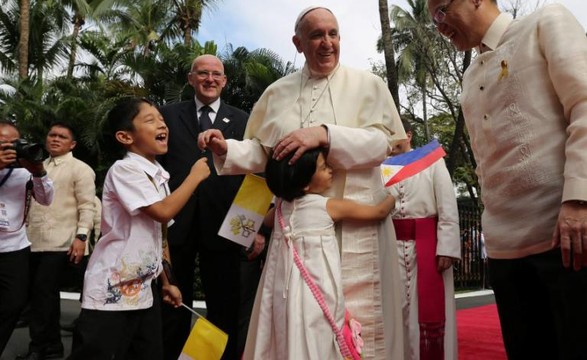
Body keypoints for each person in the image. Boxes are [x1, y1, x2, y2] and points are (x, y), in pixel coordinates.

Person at [199, 6, 407, 359]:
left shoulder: (367, 84)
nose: (327, 43)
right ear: (298, 43)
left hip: (356, 223)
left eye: (333, 34)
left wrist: (324, 135)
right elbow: (264, 152)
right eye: (316, 35)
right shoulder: (277, 93)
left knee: (364, 323)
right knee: (298, 317)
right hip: (299, 229)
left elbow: (383, 144)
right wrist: (226, 148)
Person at [428, 0, 587, 358]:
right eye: (433, 19)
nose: (439, 25)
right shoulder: (468, 78)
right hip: (503, 249)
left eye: (441, 10)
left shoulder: (545, 22)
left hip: (566, 238)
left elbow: (584, 103)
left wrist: (578, 200)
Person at [69, 98, 210, 359]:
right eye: (150, 120)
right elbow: (163, 211)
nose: (162, 124)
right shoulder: (125, 169)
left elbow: (162, 233)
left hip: (144, 293)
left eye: (162, 119)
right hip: (111, 292)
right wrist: (195, 177)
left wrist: (168, 282)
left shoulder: (158, 175)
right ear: (124, 136)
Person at [158, 54, 260, 360]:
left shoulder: (243, 120)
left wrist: (251, 229)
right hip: (175, 226)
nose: (210, 79)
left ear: (225, 81)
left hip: (227, 228)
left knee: (224, 307)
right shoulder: (167, 116)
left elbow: (255, 176)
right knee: (173, 304)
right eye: (203, 73)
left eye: (217, 74)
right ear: (191, 78)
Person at [248, 148, 394, 359]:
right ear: (305, 183)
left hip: (285, 293)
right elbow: (378, 212)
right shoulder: (327, 206)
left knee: (288, 332)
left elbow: (266, 220)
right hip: (318, 291)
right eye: (324, 168)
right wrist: (393, 195)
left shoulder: (280, 209)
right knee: (318, 336)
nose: (331, 170)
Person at [16, 123, 96, 360]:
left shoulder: (80, 169)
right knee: (35, 297)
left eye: (62, 137)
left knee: (44, 296)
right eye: (52, 134)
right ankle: (43, 345)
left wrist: (82, 237)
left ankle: (47, 348)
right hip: (29, 241)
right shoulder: (33, 166)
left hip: (61, 242)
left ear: (72, 144)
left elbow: (87, 206)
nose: (55, 139)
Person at [386, 120, 460, 360]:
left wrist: (447, 247)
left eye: (394, 133)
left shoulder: (432, 161)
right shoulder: (379, 167)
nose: (389, 139)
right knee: (394, 315)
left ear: (408, 135)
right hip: (391, 247)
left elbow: (447, 205)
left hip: (428, 248)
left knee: (427, 313)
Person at [0, 121, 54, 355]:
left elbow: (46, 199)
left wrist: (39, 171)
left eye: (14, 142)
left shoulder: (23, 172)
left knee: (13, 304)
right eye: (3, 142)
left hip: (14, 247)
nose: (9, 147)